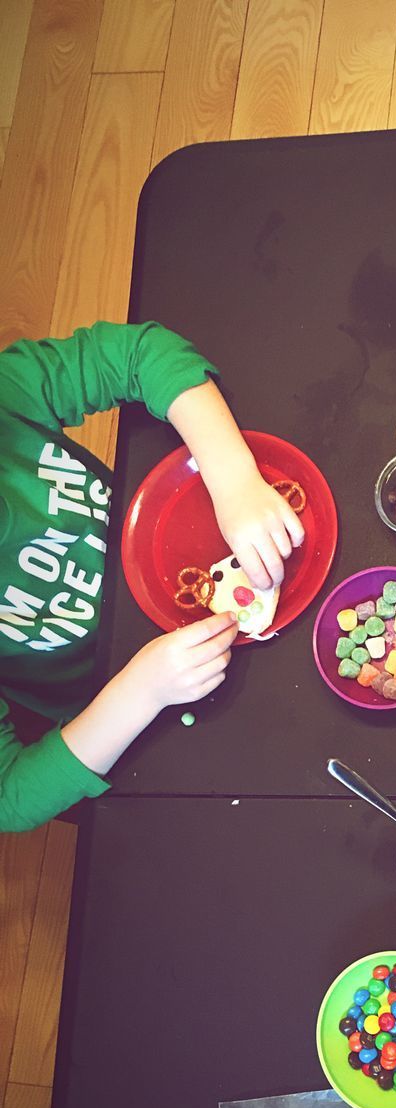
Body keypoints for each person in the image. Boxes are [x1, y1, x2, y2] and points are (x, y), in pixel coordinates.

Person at [0, 321, 304, 832]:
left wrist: (231, 476)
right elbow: (11, 798)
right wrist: (140, 693)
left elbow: (137, 352)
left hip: (178, 540)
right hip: (126, 714)